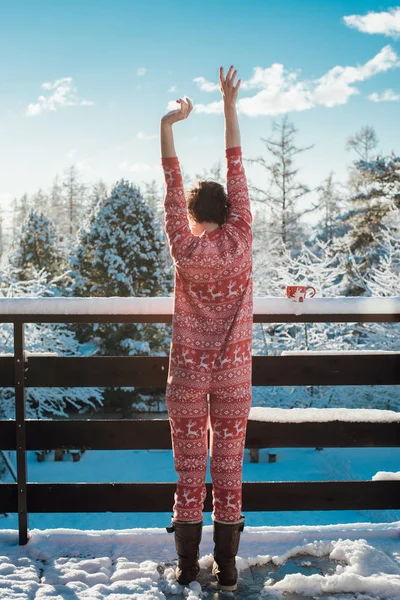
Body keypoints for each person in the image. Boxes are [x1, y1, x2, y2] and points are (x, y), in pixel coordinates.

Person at [160, 65, 253, 591]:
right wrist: (229, 105)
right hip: (234, 375)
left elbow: (172, 183)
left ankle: (187, 565)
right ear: (231, 210)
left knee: (190, 470)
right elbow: (236, 164)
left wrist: (169, 124)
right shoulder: (241, 239)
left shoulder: (185, 246)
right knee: (229, 470)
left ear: (192, 215)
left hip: (188, 376)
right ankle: (229, 567)